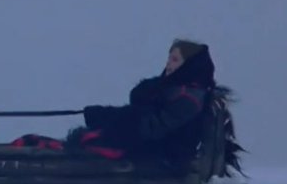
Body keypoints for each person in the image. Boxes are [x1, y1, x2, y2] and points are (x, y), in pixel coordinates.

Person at [66, 38, 227, 162]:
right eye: (169, 58)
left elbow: (152, 128)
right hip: (153, 148)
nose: (168, 64)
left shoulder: (188, 98)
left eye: (175, 60)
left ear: (189, 65)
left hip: (166, 157)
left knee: (87, 142)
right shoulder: (171, 90)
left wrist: (116, 121)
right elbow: (143, 116)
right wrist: (106, 115)